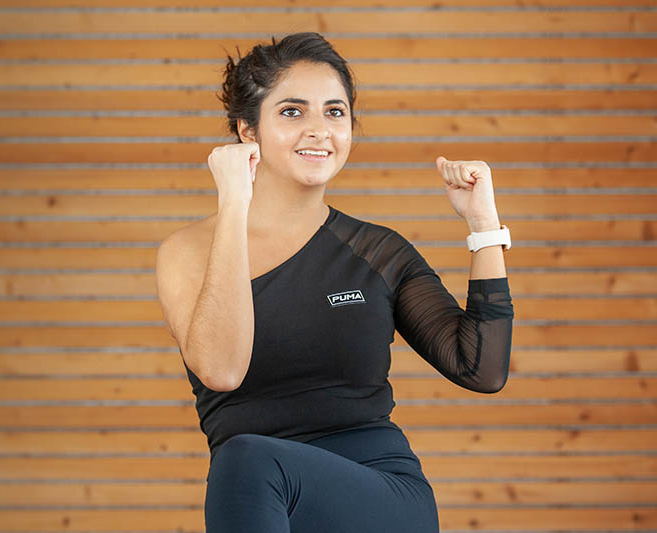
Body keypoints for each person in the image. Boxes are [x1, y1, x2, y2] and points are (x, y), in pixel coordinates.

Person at [155, 32, 514, 533]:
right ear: (247, 132)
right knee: (248, 461)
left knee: (248, 462)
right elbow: (221, 370)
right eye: (292, 112)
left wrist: (483, 226)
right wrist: (233, 203)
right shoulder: (187, 253)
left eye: (335, 112)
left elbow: (481, 368)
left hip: (382, 492)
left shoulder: (377, 252)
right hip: (259, 496)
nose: (319, 130)